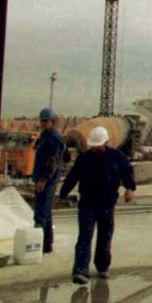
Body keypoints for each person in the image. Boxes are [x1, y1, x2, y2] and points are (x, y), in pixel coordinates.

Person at [59, 126, 136, 284]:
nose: (96, 148)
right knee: (85, 236)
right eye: (94, 146)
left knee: (105, 236)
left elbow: (127, 171)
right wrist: (63, 193)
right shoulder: (84, 159)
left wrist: (129, 188)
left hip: (107, 203)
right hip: (88, 202)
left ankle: (102, 266)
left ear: (106, 142)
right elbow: (73, 176)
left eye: (98, 145)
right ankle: (81, 270)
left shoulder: (117, 157)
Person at [33, 107, 65, 254]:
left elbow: (52, 162)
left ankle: (37, 246)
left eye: (47, 121)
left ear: (52, 122)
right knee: (46, 212)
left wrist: (43, 180)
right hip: (43, 178)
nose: (44, 123)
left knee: (41, 213)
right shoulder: (45, 136)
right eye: (43, 121)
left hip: (47, 180)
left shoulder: (53, 138)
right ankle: (46, 245)